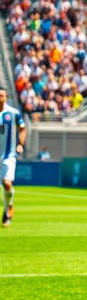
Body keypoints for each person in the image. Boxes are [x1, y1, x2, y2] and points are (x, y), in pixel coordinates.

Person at [0, 86, 27, 227]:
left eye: (1, 95)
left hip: (7, 155)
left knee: (7, 183)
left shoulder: (13, 113)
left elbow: (22, 128)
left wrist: (20, 144)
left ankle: (8, 211)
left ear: (6, 98)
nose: (0, 98)